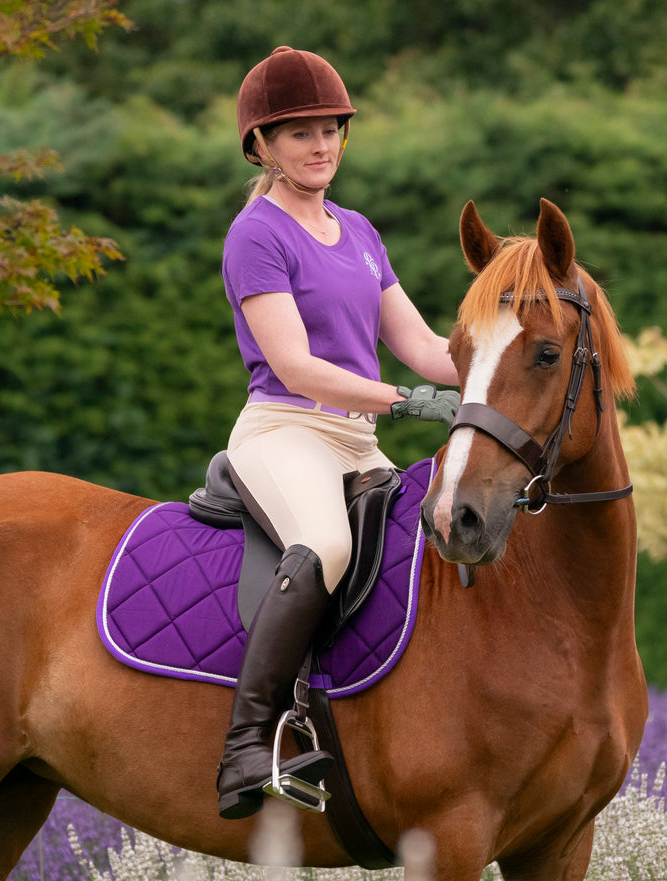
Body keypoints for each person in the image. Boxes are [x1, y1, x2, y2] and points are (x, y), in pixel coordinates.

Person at [215, 45, 461, 819]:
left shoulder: (356, 229)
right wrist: (406, 402)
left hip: (356, 441)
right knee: (325, 545)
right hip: (286, 430)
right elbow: (295, 367)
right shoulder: (256, 235)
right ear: (261, 145)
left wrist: (506, 358)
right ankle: (246, 747)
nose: (320, 145)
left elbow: (423, 347)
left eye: (330, 130)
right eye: (299, 133)